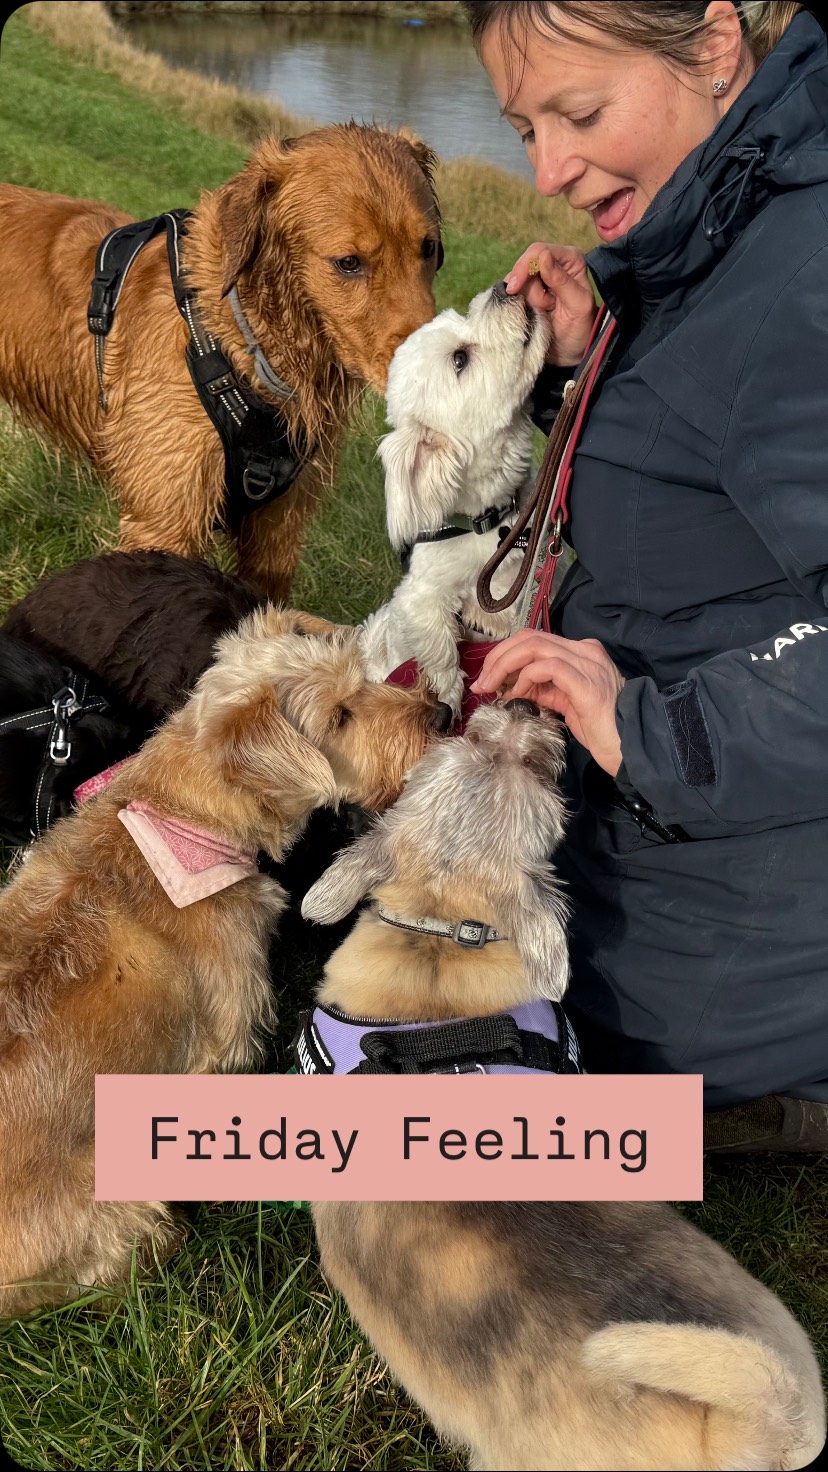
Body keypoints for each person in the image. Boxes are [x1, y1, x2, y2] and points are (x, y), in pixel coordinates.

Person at [461, 0, 828, 1149]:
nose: (550, 171)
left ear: (714, 48)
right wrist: (596, 351)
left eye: (579, 113)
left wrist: (654, 730)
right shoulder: (719, 225)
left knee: (416, 1112)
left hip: (739, 876)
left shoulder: (806, 277)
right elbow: (714, 461)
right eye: (525, 128)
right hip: (661, 822)